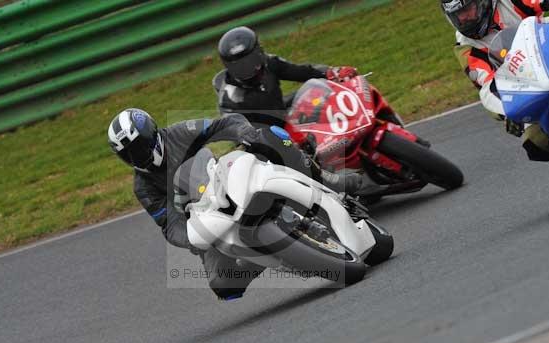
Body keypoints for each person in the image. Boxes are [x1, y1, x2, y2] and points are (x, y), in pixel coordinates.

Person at [107, 109, 364, 300]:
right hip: (206, 217)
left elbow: (223, 124)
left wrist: (245, 134)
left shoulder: (179, 133)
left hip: (223, 180)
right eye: (127, 154)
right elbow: (168, 225)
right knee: (223, 285)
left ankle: (325, 180)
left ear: (152, 135)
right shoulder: (142, 186)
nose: (135, 157)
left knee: (270, 136)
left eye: (138, 147)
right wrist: (192, 237)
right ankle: (268, 257)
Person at [440, 0, 549, 161]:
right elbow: (487, 88)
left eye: (468, 10)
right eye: (458, 15)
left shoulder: (509, 2)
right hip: (529, 85)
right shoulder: (466, 47)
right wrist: (508, 112)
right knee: (536, 143)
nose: (464, 18)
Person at [214, 26, 358, 128]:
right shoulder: (229, 100)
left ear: (259, 52)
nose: (249, 68)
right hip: (265, 141)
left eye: (251, 60)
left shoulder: (269, 63)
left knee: (320, 92)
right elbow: (239, 132)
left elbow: (301, 71)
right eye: (240, 65)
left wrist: (331, 72)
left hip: (282, 114)